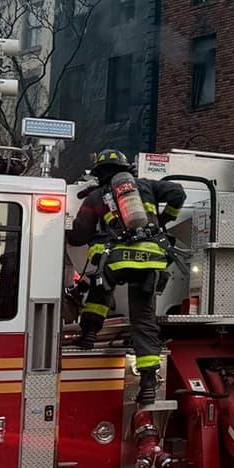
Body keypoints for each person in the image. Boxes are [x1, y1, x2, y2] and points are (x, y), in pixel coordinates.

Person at [67, 149, 186, 405]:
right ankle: (148, 385)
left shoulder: (97, 196)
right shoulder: (146, 186)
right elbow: (178, 193)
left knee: (99, 294)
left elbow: (79, 234)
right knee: (143, 319)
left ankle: (88, 335)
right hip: (151, 259)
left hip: (117, 260)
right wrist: (164, 220)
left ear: (99, 174)